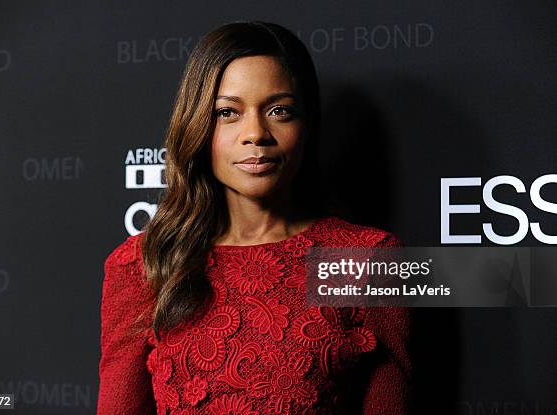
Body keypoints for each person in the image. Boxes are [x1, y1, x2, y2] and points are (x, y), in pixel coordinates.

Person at [97, 21, 411, 415]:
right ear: (197, 125)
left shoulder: (369, 261)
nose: (255, 134)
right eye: (228, 112)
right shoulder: (142, 264)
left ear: (307, 123)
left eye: (280, 110)